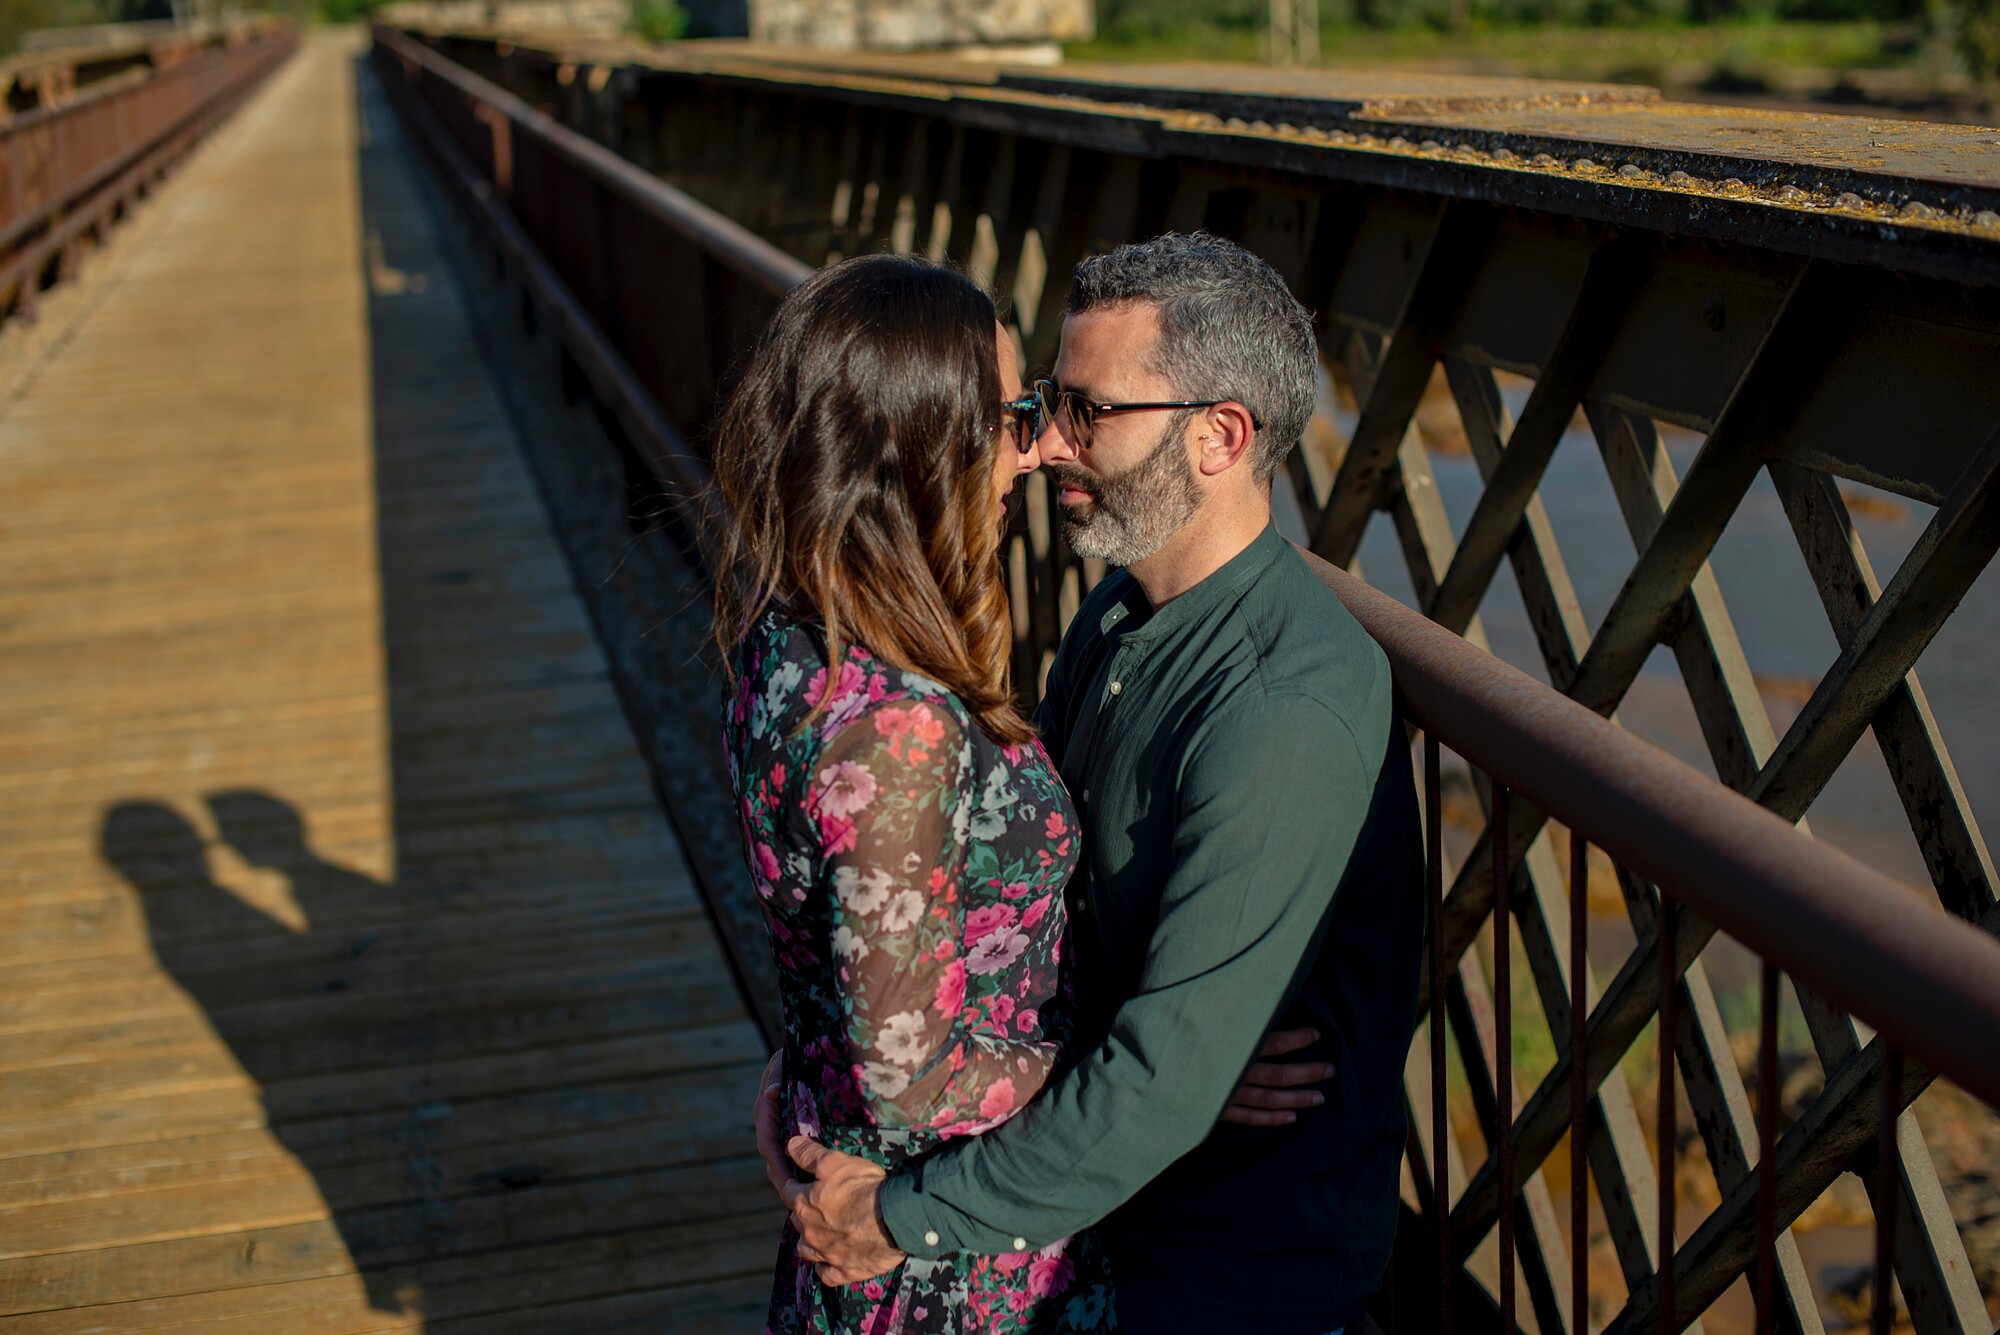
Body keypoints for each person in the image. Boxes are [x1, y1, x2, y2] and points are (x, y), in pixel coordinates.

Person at [771, 233, 1427, 1335]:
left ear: (1221, 436)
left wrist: (897, 1216)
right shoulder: (1121, 614)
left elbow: (1159, 1085)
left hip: (1231, 1269)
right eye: (1046, 402)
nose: (1042, 447)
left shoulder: (1279, 710)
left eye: (1088, 412)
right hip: (1105, 1223)